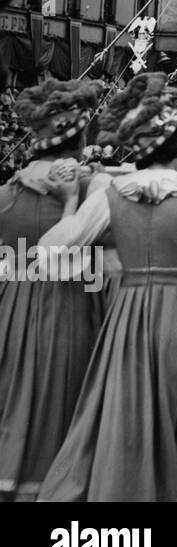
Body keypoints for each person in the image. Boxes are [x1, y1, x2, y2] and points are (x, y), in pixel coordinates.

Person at [38, 75, 177, 501]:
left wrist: (70, 200)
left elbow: (52, 249)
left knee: (125, 400)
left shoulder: (111, 195)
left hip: (126, 316)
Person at [0, 80, 107, 500]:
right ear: (80, 137)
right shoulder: (93, 190)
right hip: (74, 301)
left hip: (14, 303)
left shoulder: (7, 194)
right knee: (68, 395)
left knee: (14, 392)